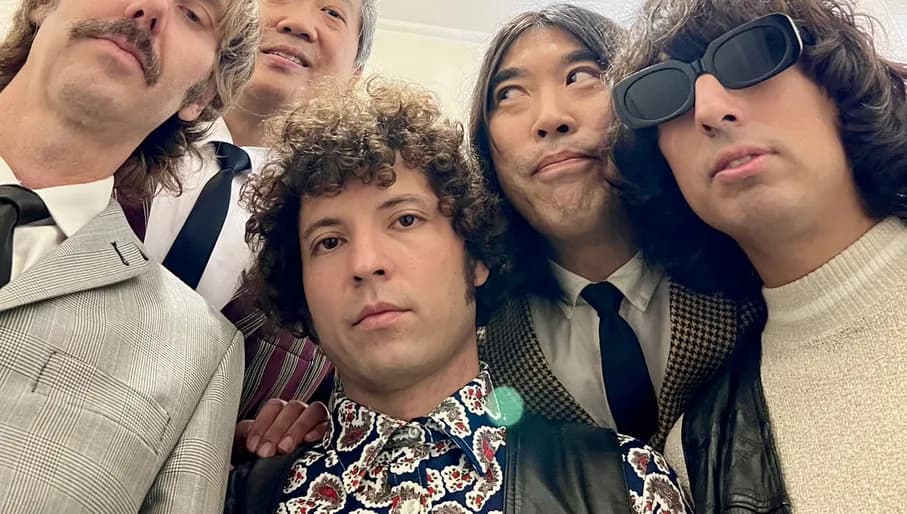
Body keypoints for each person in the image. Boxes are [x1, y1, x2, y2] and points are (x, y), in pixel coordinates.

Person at [225, 78, 690, 514]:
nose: (365, 263)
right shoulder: (234, 495)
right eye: (329, 242)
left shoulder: (625, 486)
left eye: (405, 220)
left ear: (475, 257)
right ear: (302, 288)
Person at [609, 0, 907, 511]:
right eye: (668, 98)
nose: (708, 110)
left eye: (750, 57)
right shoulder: (699, 453)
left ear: (836, 86)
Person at [0, 0, 260, 511]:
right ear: (44, 5)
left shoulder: (201, 353)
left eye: (193, 12)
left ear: (202, 95)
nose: (151, 7)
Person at [468, 3, 762, 451]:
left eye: (580, 76)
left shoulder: (750, 275)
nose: (550, 119)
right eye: (509, 94)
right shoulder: (480, 355)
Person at [133, 0, 378, 457]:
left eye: (332, 12)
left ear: (354, 78)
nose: (298, 23)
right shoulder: (123, 131)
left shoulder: (357, 251)